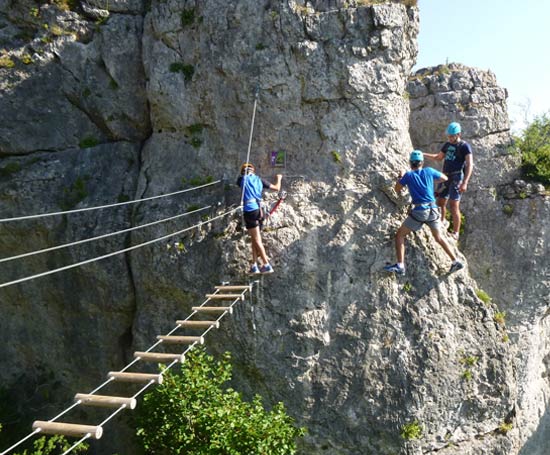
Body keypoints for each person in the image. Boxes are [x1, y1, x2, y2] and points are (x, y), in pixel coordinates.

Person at [384, 150, 464, 276]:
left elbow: (397, 189)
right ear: (422, 162)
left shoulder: (408, 176)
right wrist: (431, 180)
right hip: (433, 209)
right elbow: (444, 178)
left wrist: (401, 177)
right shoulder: (429, 171)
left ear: (411, 163)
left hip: (420, 210)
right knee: (438, 237)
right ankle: (455, 260)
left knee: (400, 235)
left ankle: (400, 265)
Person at [423, 122, 474, 241]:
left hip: (457, 177)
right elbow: (438, 157)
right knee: (440, 201)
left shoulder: (464, 146)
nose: (450, 138)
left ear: (458, 134)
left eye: (452, 136)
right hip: (445, 176)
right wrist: (423, 154)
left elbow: (469, 164)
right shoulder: (447, 145)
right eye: (449, 136)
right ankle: (441, 222)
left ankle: (456, 233)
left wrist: (465, 182)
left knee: (454, 204)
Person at [237, 163, 282, 274]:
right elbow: (276, 188)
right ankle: (254, 265)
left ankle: (266, 264)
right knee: (254, 238)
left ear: (243, 172)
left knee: (257, 239)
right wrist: (279, 178)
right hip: (259, 210)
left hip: (250, 210)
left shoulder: (241, 179)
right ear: (253, 171)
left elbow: (239, 183)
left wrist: (244, 174)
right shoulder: (259, 180)